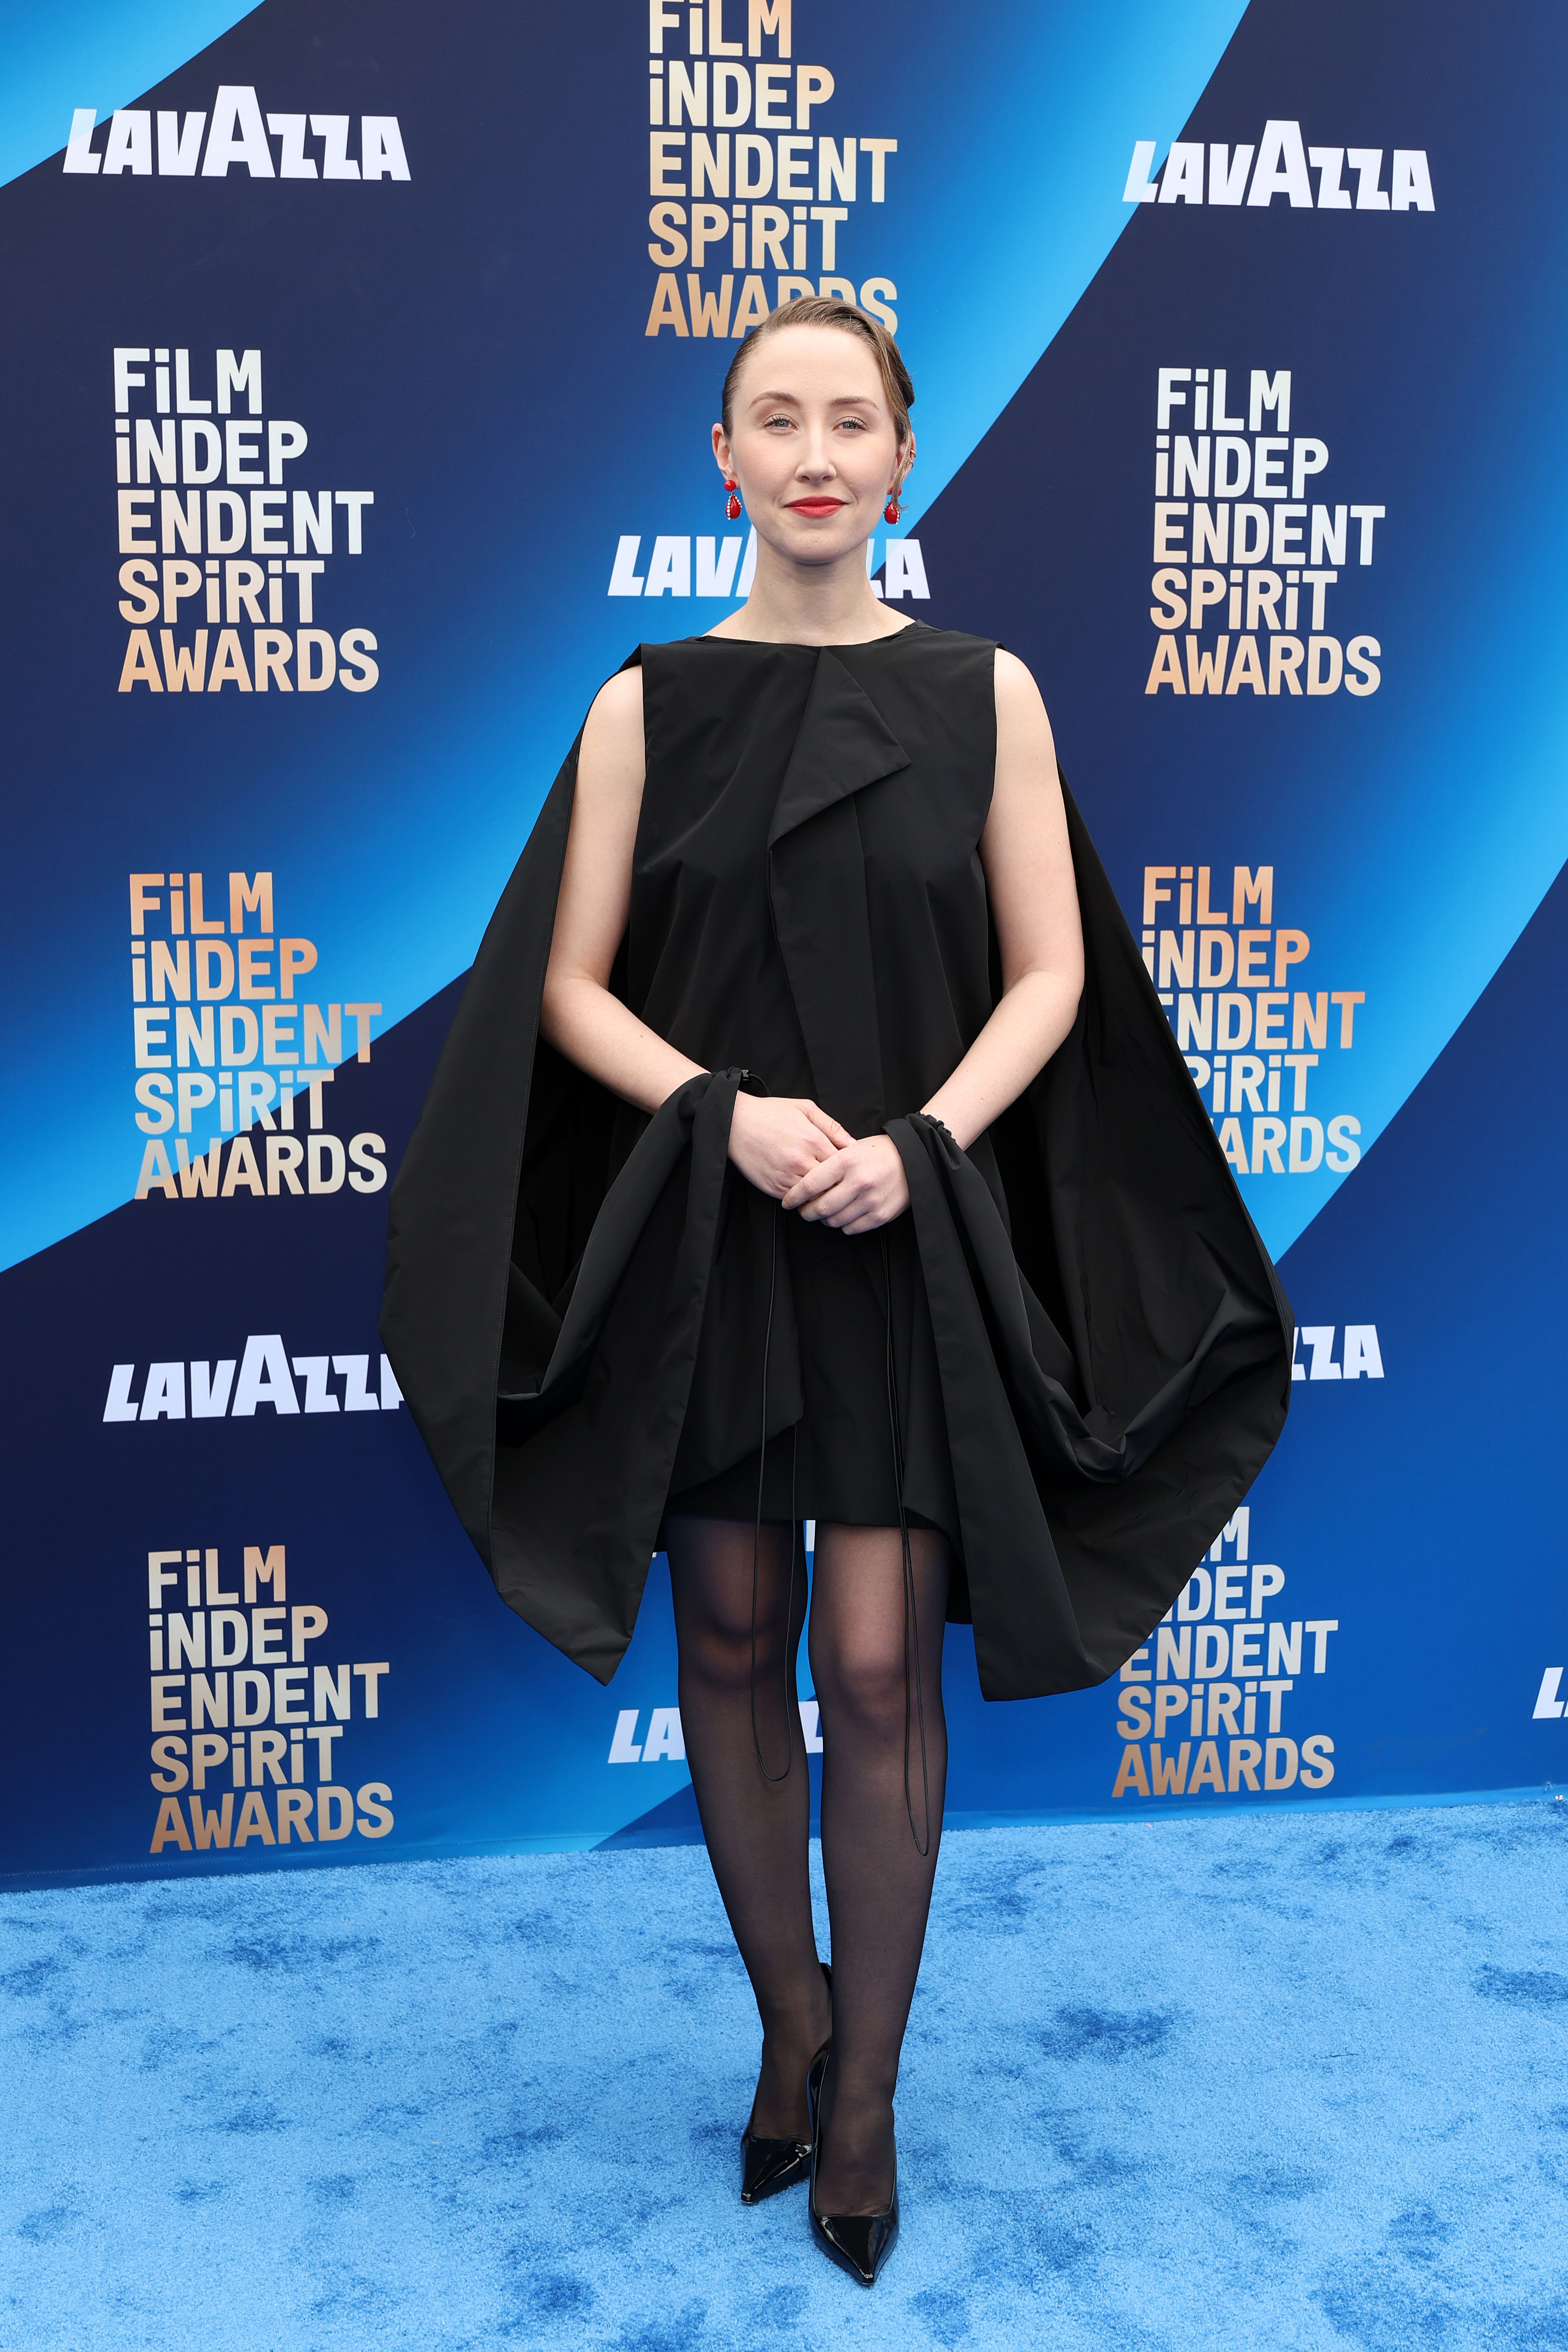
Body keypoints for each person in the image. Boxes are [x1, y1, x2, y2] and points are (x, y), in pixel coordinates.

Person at [381, 298, 1292, 2289]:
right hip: (713, 1240)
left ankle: (865, 2090)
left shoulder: (989, 696)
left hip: (896, 1234)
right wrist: (721, 1109)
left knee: (877, 1663)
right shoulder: (643, 703)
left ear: (903, 455)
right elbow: (562, 983)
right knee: (728, 1627)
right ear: (720, 460)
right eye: (773, 418)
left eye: (849, 419)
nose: (813, 449)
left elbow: (1054, 974)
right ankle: (787, 2027)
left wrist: (927, 1141)